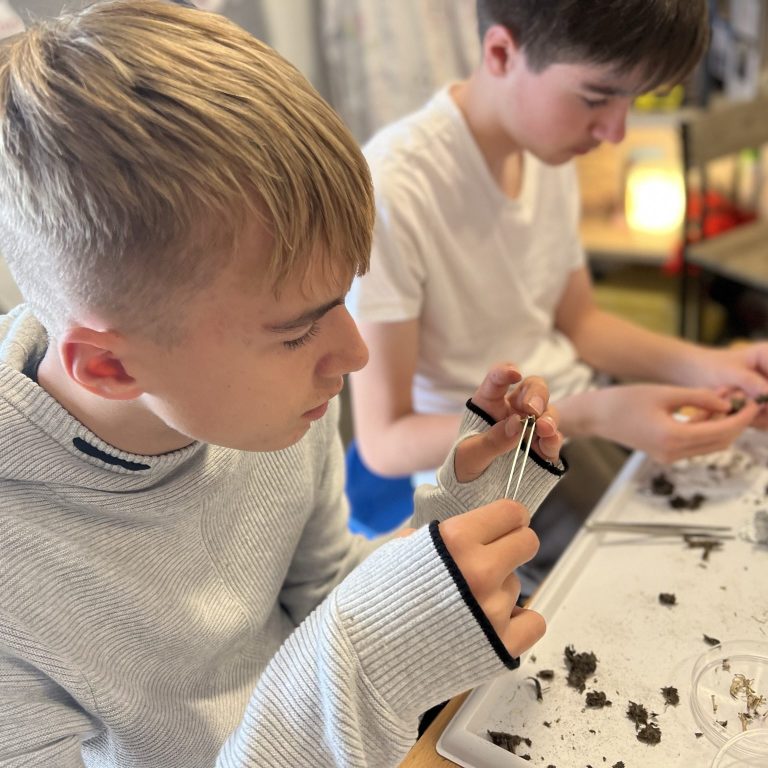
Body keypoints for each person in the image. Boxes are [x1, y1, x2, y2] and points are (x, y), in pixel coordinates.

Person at [0, 2, 569, 766]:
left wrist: (455, 521)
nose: (354, 354)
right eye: (298, 329)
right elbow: (343, 656)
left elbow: (322, 596)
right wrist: (361, 667)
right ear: (109, 365)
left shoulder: (271, 412)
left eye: (343, 300)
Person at [348, 0, 768, 563]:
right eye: (596, 97)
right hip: (487, 480)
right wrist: (589, 412)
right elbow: (384, 442)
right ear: (501, 52)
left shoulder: (545, 150)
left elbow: (582, 323)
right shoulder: (396, 190)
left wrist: (711, 365)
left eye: (632, 99)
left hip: (574, 426)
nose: (615, 130)